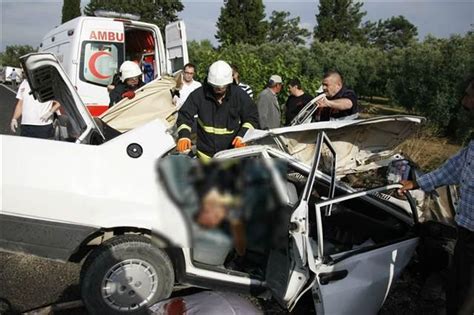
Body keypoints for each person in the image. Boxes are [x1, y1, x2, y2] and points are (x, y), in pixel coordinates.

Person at [399, 79, 474, 315]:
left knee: (467, 299)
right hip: (466, 232)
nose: (464, 102)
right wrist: (416, 183)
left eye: (468, 95)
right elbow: (453, 169)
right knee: (457, 289)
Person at [176, 60, 259, 162]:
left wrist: (243, 136)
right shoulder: (199, 95)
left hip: (231, 155)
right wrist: (184, 136)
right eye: (215, 87)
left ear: (229, 83)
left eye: (222, 87)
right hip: (205, 156)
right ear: (210, 83)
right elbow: (184, 116)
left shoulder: (239, 95)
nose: (219, 90)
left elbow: (252, 117)